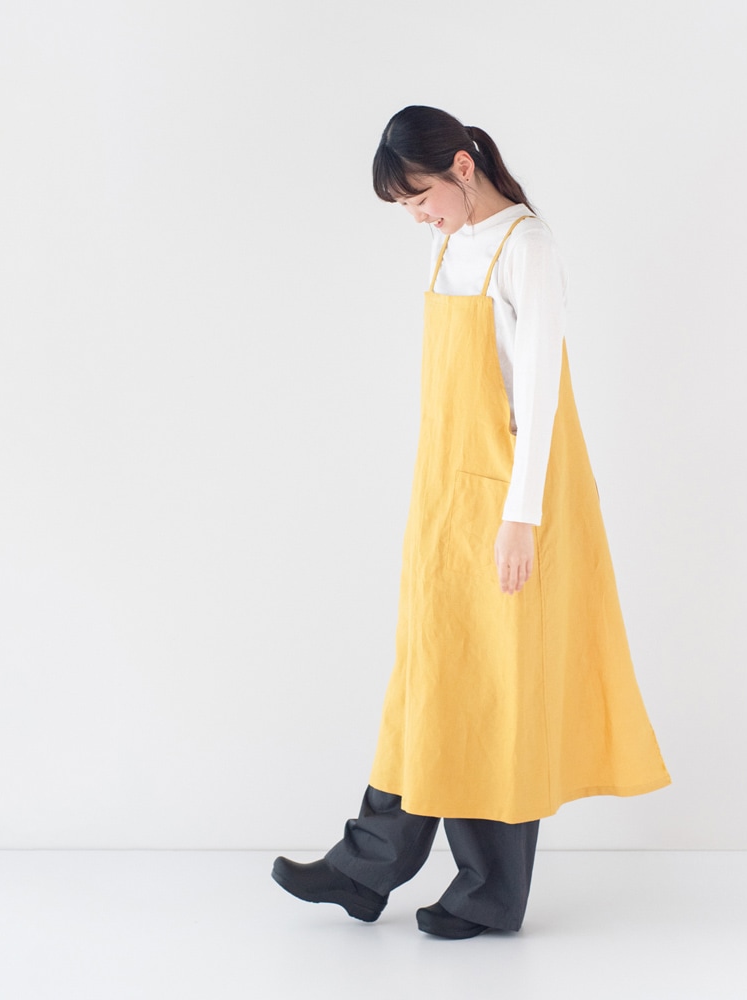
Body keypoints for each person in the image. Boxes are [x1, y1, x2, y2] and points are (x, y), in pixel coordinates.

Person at [271, 105, 671, 939]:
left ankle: (484, 891)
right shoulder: (447, 244)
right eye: (405, 206)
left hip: (515, 493)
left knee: (497, 682)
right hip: (445, 492)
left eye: (420, 196)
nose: (417, 215)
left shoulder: (528, 247)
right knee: (430, 673)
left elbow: (541, 396)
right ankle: (366, 868)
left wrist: (521, 517)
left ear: (461, 165)